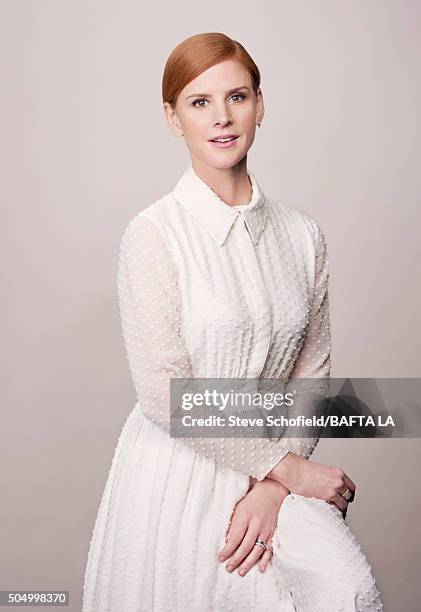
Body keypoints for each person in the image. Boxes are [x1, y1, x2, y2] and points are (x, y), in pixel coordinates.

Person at [82, 32, 383, 611]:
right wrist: (288, 468)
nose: (221, 118)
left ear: (260, 105)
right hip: (176, 480)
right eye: (199, 102)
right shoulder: (155, 234)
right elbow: (165, 393)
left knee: (346, 591)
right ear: (173, 118)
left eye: (236, 97)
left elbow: (311, 375)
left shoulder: (303, 236)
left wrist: (275, 484)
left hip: (271, 479)